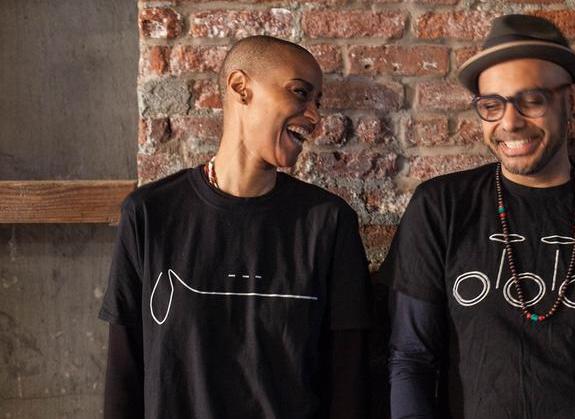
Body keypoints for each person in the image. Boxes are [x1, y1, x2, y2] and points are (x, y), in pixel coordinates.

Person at [381, 15, 575, 419]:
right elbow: (411, 359)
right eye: (491, 105)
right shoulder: (440, 207)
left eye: (531, 101)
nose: (509, 123)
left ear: (573, 100)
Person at [99, 36, 372, 419]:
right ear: (241, 87)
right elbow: (124, 374)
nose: (314, 116)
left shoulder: (328, 222)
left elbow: (348, 381)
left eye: (318, 102)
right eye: (300, 93)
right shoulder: (150, 214)